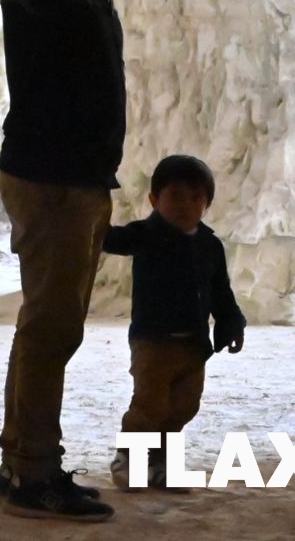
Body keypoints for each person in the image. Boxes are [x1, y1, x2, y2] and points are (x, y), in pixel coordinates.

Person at [0, 0, 160, 521]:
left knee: (54, 327)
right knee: (50, 328)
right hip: (50, 177)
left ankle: (24, 463)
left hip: (79, 179)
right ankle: (30, 473)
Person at [102, 154, 246, 489]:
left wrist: (232, 322)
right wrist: (87, 218)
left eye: (196, 198)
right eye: (176, 196)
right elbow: (108, 239)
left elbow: (221, 291)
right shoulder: (145, 235)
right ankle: (129, 459)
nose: (186, 205)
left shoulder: (210, 246)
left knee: (184, 405)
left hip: (194, 344)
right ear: (154, 200)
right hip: (152, 341)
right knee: (150, 404)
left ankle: (162, 463)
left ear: (207, 204)